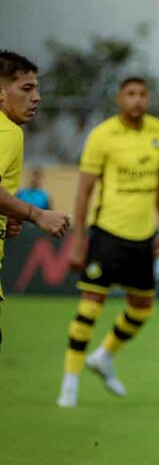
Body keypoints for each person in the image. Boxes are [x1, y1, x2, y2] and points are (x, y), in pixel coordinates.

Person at [56, 77, 159, 408]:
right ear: (120, 98)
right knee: (90, 306)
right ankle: (70, 383)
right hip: (107, 232)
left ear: (148, 99)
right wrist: (79, 237)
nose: (137, 100)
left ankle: (104, 356)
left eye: (143, 94)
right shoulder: (102, 135)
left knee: (142, 309)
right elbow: (84, 190)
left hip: (142, 236)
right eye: (130, 94)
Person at [0, 51, 71, 351]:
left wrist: (6, 215)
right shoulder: (7, 131)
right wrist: (35, 214)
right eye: (27, 89)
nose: (37, 97)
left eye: (37, 88)